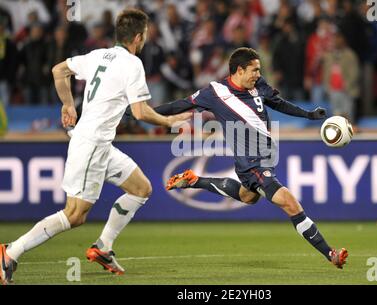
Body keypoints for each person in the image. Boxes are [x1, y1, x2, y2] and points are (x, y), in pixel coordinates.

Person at [0, 9, 191, 285]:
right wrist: (169, 120)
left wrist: (67, 103)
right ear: (138, 37)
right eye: (146, 34)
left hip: (99, 144)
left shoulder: (98, 55)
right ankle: (10, 253)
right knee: (74, 215)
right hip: (91, 144)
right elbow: (140, 112)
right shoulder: (132, 64)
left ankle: (103, 246)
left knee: (141, 189)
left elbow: (58, 71)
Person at [157, 47, 348, 269]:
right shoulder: (215, 92)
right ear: (239, 70)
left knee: (247, 196)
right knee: (290, 203)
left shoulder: (258, 85)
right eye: (254, 70)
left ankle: (194, 180)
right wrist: (141, 112)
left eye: (259, 70)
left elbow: (278, 102)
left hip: (265, 159)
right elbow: (178, 105)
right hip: (252, 163)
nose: (258, 74)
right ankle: (330, 253)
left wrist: (308, 114)